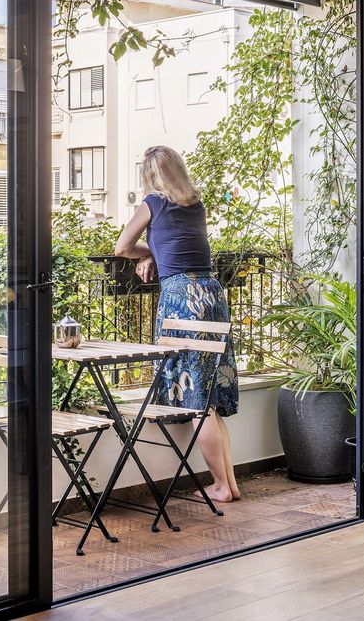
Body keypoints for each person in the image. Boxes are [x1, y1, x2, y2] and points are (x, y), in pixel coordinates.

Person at [115, 145, 240, 503]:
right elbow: (181, 243)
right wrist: (155, 253)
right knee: (209, 395)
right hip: (211, 292)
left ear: (149, 175)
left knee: (197, 401)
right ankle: (230, 484)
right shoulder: (195, 204)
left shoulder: (153, 203)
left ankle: (221, 487)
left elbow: (122, 247)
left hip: (182, 297)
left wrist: (147, 254)